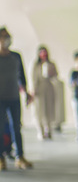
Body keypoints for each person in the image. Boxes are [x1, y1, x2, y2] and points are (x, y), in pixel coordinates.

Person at [0, 27, 33, 170]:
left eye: (8, 36)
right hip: (0, 98)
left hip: (14, 97)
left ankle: (20, 157)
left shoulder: (16, 56)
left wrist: (26, 92)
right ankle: (1, 158)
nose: (7, 39)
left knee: (16, 127)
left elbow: (22, 76)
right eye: (3, 36)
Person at [31, 45, 61, 139]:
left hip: (48, 88)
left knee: (49, 110)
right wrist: (33, 89)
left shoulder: (51, 64)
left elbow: (56, 75)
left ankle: (49, 130)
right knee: (39, 110)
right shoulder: (35, 65)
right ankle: (41, 131)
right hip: (39, 89)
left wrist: (52, 73)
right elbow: (32, 77)